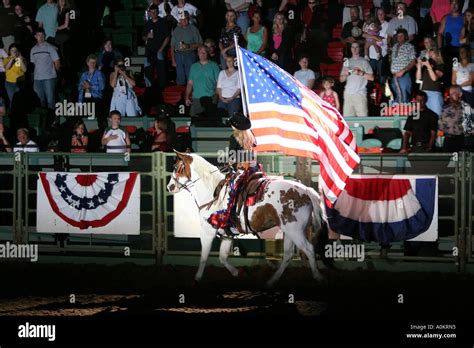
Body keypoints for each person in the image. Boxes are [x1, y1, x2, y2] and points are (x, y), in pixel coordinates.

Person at [208, 112, 259, 234]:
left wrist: (228, 164)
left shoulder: (234, 137)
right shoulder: (252, 136)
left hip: (242, 170)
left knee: (231, 192)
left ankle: (230, 219)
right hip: (254, 169)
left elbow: (232, 157)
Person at [30, 28, 60, 125]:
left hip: (49, 78)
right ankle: (44, 122)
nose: (41, 37)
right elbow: (33, 64)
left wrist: (57, 72)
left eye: (42, 35)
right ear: (35, 36)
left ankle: (53, 121)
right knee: (40, 101)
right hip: (37, 79)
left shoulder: (49, 47)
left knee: (50, 100)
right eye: (39, 35)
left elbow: (57, 61)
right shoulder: (33, 49)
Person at [340, 41, 374, 117]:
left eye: (356, 47)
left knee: (362, 119)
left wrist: (360, 73)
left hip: (360, 94)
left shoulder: (364, 61)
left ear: (359, 49)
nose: (354, 49)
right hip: (348, 94)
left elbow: (372, 78)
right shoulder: (347, 62)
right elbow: (341, 79)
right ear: (351, 49)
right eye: (353, 47)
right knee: (348, 121)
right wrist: (345, 74)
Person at [185, 45, 220, 117]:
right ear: (198, 54)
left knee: (209, 121)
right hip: (196, 98)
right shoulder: (193, 66)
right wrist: (187, 96)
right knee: (195, 121)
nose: (202, 54)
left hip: (210, 98)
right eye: (200, 52)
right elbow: (190, 83)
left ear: (207, 53)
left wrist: (216, 95)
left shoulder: (214, 65)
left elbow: (218, 82)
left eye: (204, 52)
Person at [170, 11, 202, 85]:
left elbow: (200, 43)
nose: (183, 21)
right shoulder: (176, 29)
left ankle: (191, 93)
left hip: (190, 54)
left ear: (188, 19)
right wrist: (173, 59)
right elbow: (172, 45)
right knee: (179, 75)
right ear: (180, 20)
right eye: (182, 19)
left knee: (190, 75)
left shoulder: (193, 29)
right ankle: (180, 93)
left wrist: (189, 46)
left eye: (185, 19)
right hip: (178, 54)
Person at [143, 4, 171, 90]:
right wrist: (147, 36)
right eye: (151, 12)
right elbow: (143, 37)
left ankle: (162, 86)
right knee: (147, 65)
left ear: (158, 12)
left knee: (160, 59)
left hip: (160, 49)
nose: (153, 13)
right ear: (149, 13)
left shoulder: (163, 22)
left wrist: (161, 49)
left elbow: (167, 37)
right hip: (150, 50)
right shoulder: (148, 23)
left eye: (155, 12)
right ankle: (150, 86)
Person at [439, 85, 473, 152]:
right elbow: (441, 126)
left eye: (453, 93)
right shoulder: (446, 108)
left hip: (462, 141)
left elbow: (470, 128)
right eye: (450, 93)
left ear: (460, 94)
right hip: (448, 140)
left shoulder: (467, 109)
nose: (451, 96)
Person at [390, 28, 416, 103]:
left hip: (404, 75)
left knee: (404, 96)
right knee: (397, 96)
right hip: (394, 76)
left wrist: (403, 71)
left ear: (406, 37)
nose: (399, 38)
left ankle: (404, 114)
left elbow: (413, 61)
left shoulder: (409, 46)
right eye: (398, 36)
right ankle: (397, 113)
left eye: (401, 36)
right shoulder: (395, 46)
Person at [416, 48, 445, 117]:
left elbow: (434, 78)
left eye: (433, 54)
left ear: (438, 56)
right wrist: (419, 66)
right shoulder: (426, 66)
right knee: (424, 116)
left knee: (436, 115)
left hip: (434, 93)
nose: (430, 56)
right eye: (429, 54)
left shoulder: (440, 65)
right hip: (424, 93)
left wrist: (428, 66)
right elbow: (418, 78)